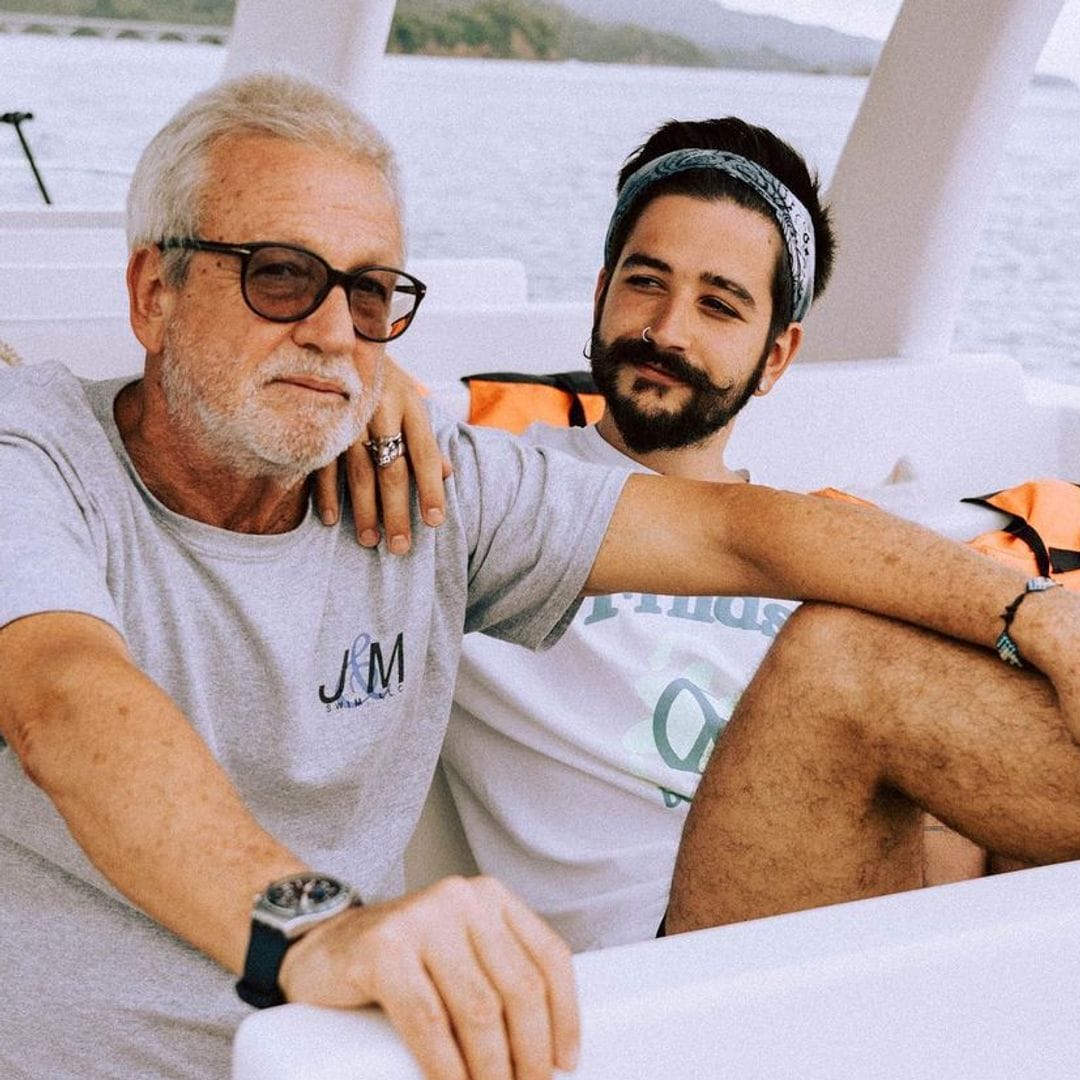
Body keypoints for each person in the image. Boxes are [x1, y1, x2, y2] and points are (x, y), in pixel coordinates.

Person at [2, 72, 1078, 1080]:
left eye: (370, 296)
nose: (333, 331)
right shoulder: (48, 459)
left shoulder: (444, 488)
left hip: (376, 1051)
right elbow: (64, 697)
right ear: (153, 292)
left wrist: (1033, 613)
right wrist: (320, 929)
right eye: (281, 276)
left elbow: (746, 534)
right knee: (847, 670)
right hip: (217, 1039)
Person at [446, 117, 983, 953]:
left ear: (777, 356)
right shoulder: (493, 495)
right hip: (657, 965)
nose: (668, 331)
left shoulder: (827, 545)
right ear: (599, 292)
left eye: (719, 305)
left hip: (856, 947)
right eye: (645, 283)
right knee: (838, 655)